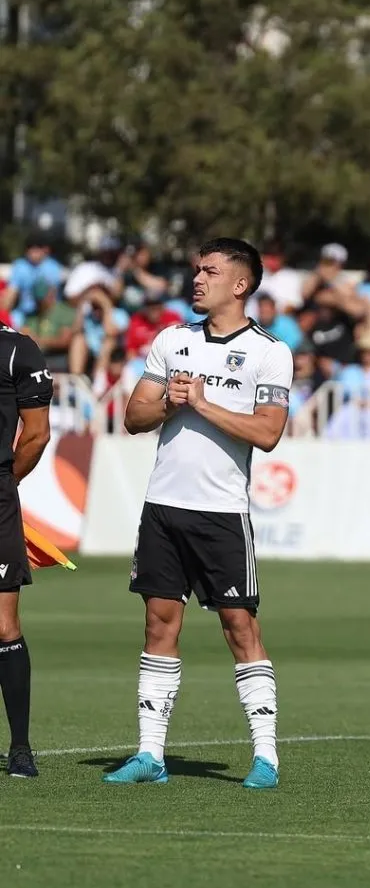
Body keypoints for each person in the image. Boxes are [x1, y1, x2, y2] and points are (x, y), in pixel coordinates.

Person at [104, 238, 292, 790]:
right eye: (197, 270)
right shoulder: (172, 340)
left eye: (210, 271)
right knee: (158, 623)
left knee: (239, 626)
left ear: (240, 284)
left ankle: (266, 757)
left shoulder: (269, 351)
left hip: (221, 513)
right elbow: (133, 416)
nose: (197, 279)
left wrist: (205, 405)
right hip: (163, 508)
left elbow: (269, 432)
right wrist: (171, 402)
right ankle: (150, 754)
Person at [0, 326, 53, 778]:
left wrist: (5, 484)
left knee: (4, 625)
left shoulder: (17, 349)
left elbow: (36, 434)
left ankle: (19, 748)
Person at [2, 235, 64, 325]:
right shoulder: (20, 266)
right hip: (24, 314)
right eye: (30, 247)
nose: (33, 252)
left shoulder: (52, 267)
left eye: (37, 248)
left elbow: (52, 298)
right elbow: (11, 294)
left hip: (47, 313)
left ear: (46, 250)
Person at [22, 278, 76, 373]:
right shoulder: (31, 316)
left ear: (52, 293)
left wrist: (39, 340)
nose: (40, 301)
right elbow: (24, 334)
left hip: (57, 358)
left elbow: (65, 341)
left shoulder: (65, 312)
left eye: (42, 298)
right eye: (37, 298)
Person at [124, 292, 183, 361]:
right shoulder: (136, 321)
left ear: (162, 306)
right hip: (143, 361)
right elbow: (131, 352)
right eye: (150, 306)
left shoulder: (172, 318)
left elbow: (181, 343)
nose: (154, 310)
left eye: (157, 306)